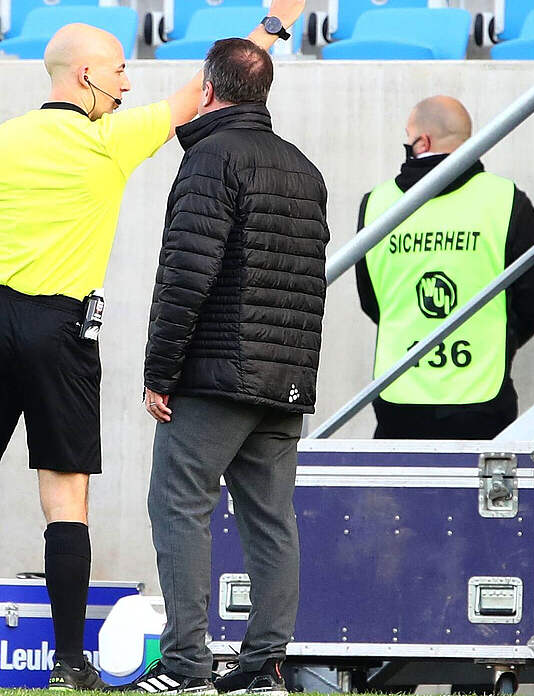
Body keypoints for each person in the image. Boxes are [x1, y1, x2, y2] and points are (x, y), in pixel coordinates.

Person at [0, 0, 307, 691]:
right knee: (67, 497)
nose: (127, 81)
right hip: (63, 329)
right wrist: (275, 21)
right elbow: (210, 89)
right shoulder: (110, 141)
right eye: (119, 68)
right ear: (85, 75)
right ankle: (66, 665)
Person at [127, 36, 328, 696]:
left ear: (209, 90)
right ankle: (264, 667)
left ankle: (186, 665)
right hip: (285, 380)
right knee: (271, 521)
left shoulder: (210, 159)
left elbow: (187, 277)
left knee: (177, 505)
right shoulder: (304, 168)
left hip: (216, 376)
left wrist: (161, 371)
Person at [354, 95, 534, 439]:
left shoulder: (377, 204)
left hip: (399, 395)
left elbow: (372, 299)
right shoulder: (507, 201)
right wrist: (497, 339)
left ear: (422, 142)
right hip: (482, 396)